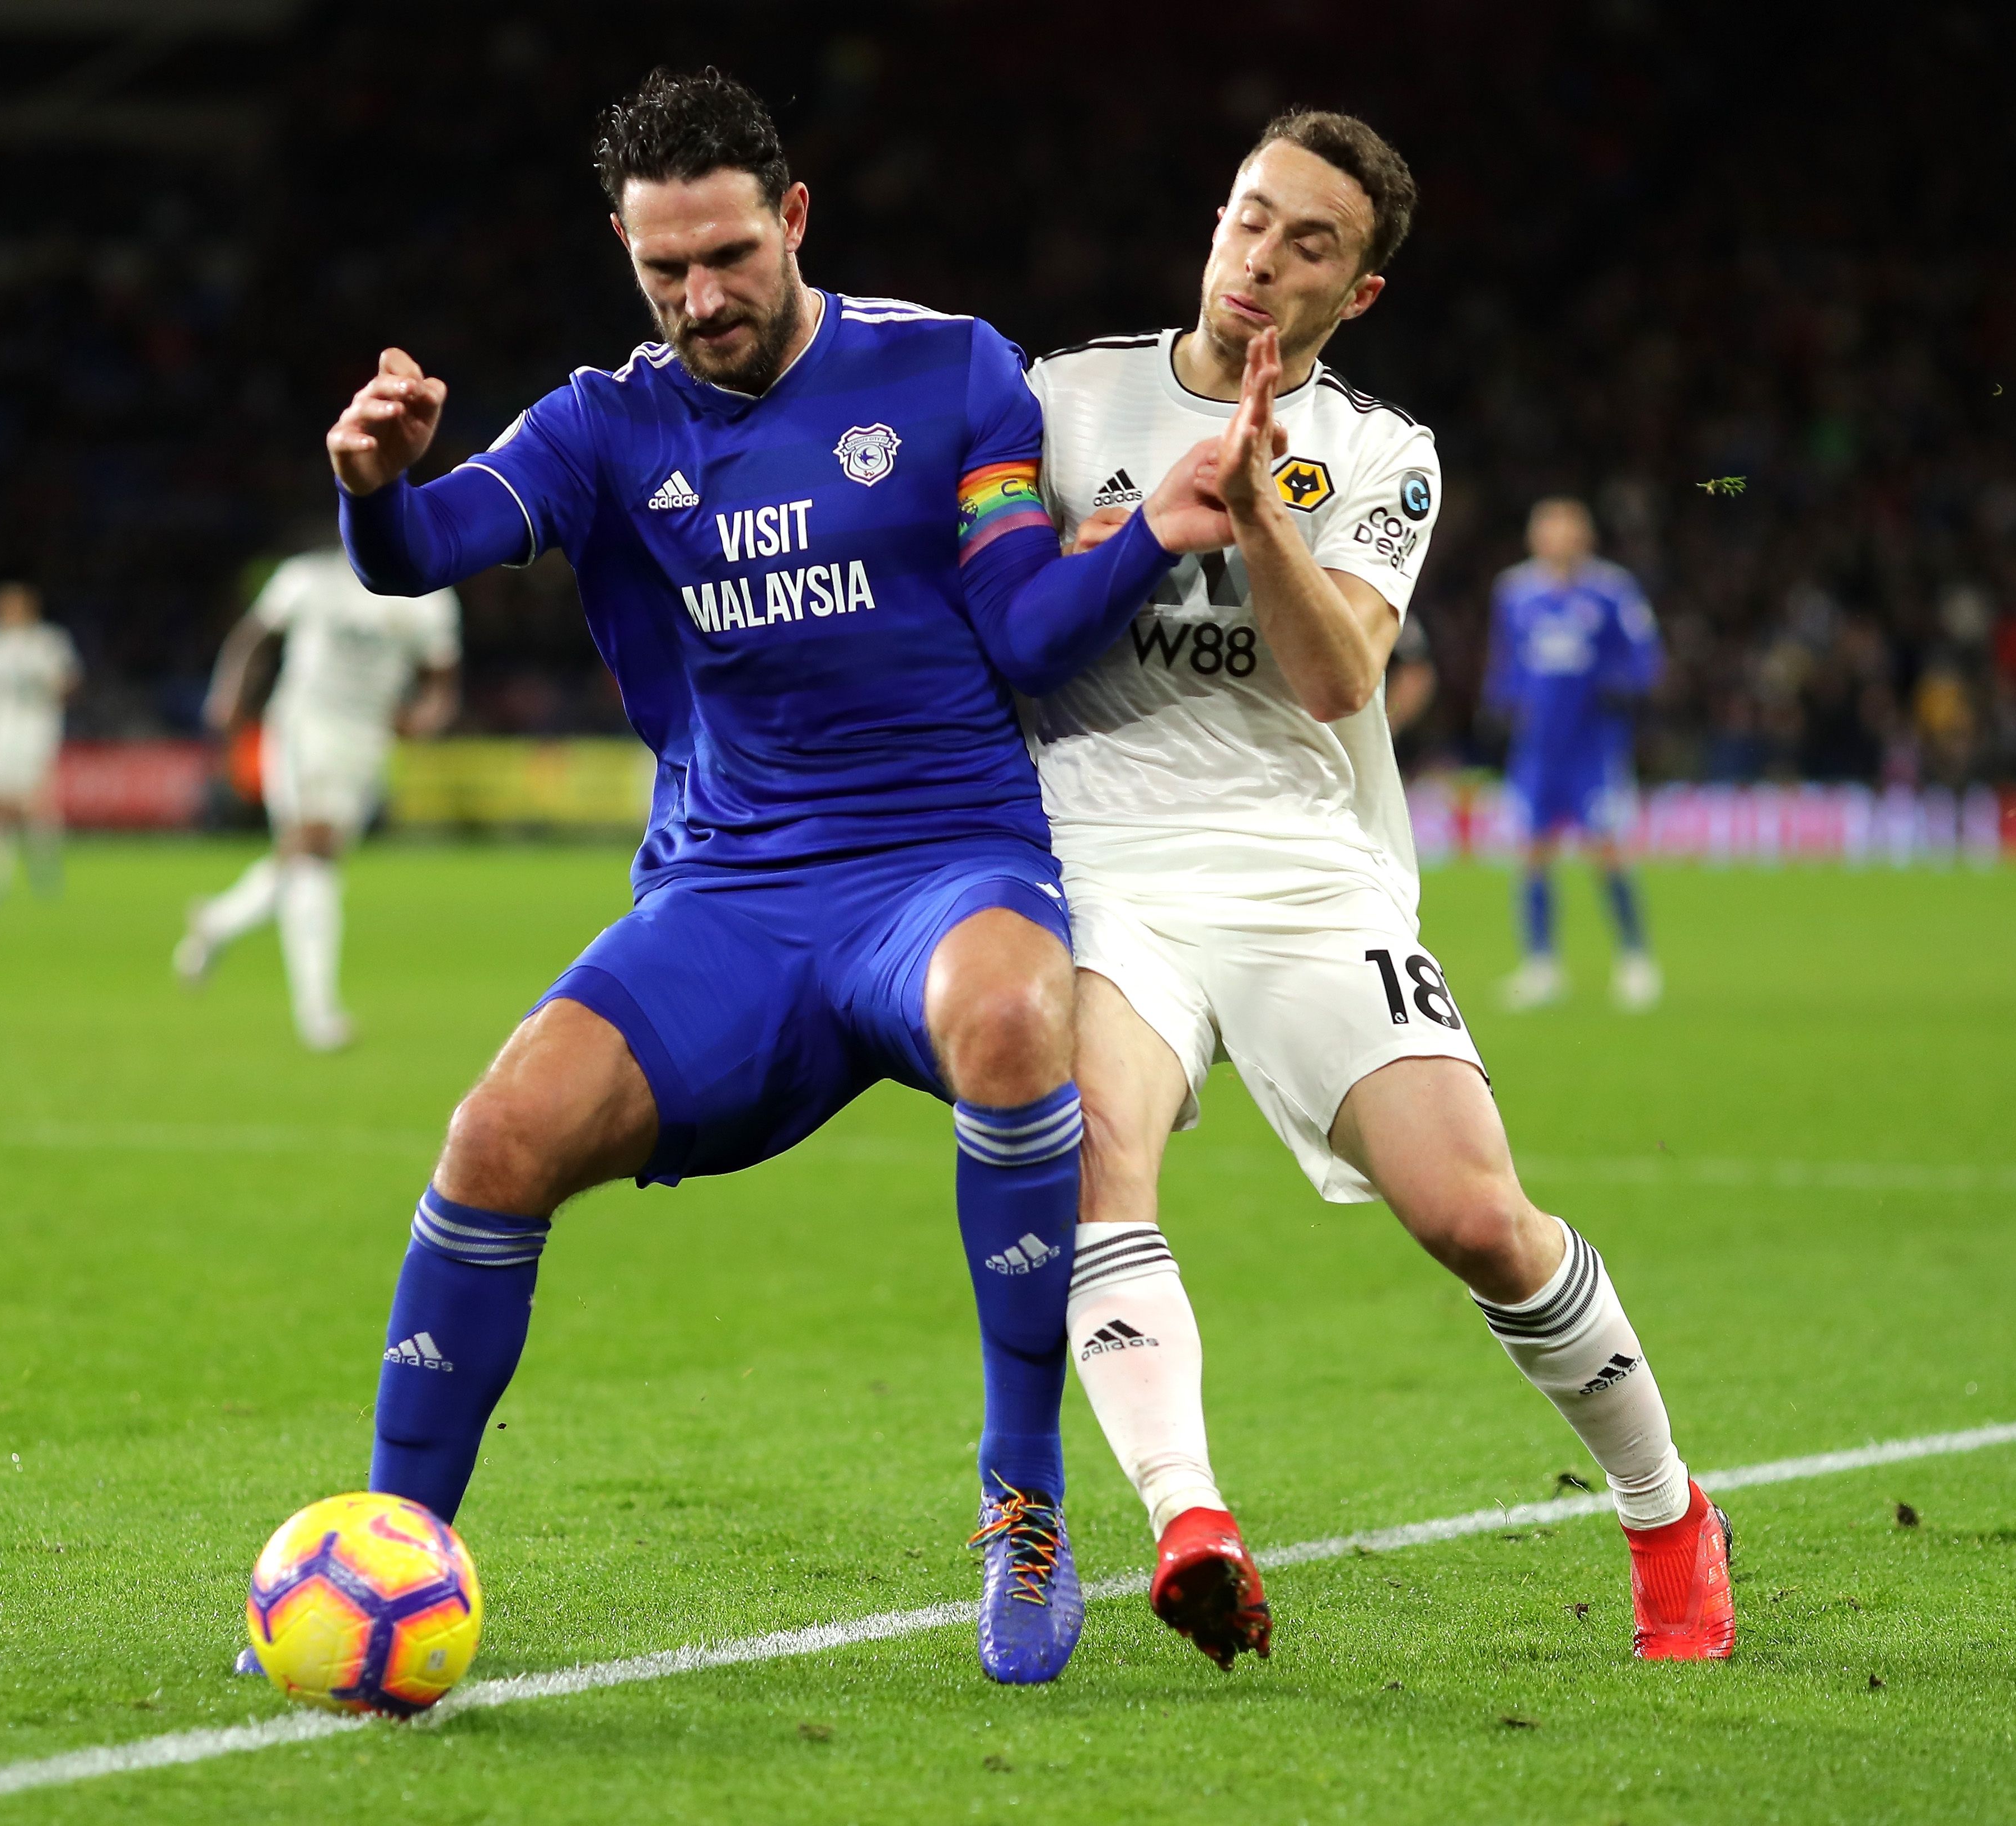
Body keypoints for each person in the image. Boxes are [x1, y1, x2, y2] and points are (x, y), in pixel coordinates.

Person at [318, 68, 1234, 1687]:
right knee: (495, 1133)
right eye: (661, 267)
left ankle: (1023, 1494)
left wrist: (1151, 530)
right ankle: (388, 1553)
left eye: (729, 255)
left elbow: (1021, 621)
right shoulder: (607, 419)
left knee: (1019, 1019)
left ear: (792, 216)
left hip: (942, 867)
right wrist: (373, 479)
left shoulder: (947, 370)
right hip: (732, 895)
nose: (698, 297)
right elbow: (423, 549)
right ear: (622, 245)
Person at [1038, 111, 1731, 1668]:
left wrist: (1255, 498)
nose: (1259, 262)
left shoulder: (1377, 452)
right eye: (1247, 220)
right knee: (1095, 1151)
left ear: (1356, 295)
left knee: (1478, 1218)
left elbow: (1339, 675)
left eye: (1308, 246)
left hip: (1298, 865)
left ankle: (1663, 1502)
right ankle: (1188, 1516)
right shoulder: (1060, 398)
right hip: (1094, 856)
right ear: (1212, 220)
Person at [176, 540, 461, 1051]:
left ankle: (218, 921)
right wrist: (229, 699)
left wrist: (425, 717)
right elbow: (254, 638)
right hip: (302, 727)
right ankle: (318, 1014)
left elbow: (442, 679)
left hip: (368, 740)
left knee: (311, 858)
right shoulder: (308, 578)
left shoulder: (428, 596)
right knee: (313, 850)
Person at [1485, 499, 1664, 1009]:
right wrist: (1499, 705)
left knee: (1606, 852)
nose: (1553, 538)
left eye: (1563, 529)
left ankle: (1635, 961)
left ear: (1584, 536)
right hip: (1537, 748)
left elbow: (1645, 659)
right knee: (1531, 854)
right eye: (1544, 529)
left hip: (1593, 748)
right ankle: (1541, 967)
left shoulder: (1611, 591)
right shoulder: (1515, 592)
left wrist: (1620, 688)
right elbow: (1508, 660)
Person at [0, 581, 79, 898]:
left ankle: (44, 869)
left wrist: (51, 696)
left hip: (34, 730)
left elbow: (69, 684)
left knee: (36, 801)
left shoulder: (48, 643)